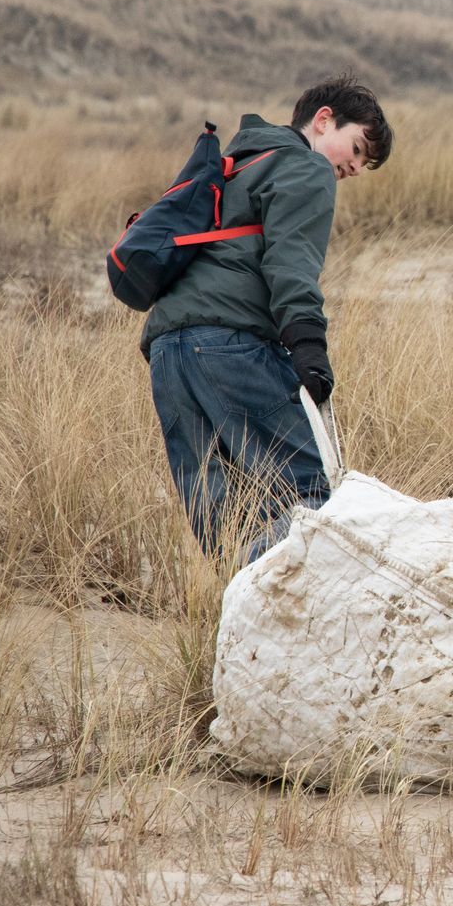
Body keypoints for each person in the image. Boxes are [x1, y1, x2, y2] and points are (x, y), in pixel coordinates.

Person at [143, 75, 392, 560]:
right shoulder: (307, 168)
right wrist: (308, 346)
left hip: (166, 353)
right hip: (229, 348)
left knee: (223, 525)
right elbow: (291, 262)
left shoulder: (239, 161)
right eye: (358, 148)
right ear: (323, 121)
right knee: (316, 503)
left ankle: (238, 621)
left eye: (365, 163)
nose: (357, 167)